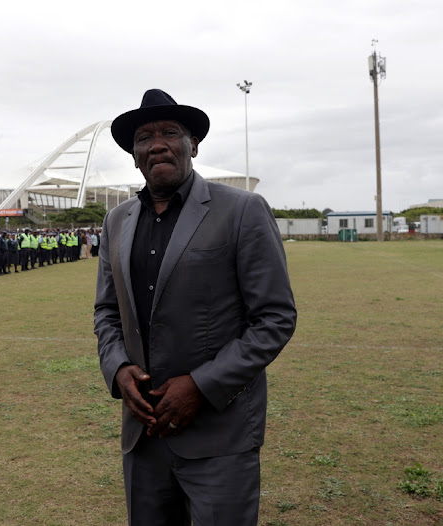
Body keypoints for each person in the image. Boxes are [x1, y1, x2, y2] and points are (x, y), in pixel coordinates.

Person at [93, 89, 297, 526]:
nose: (158, 144)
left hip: (217, 434)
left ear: (194, 145)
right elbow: (108, 312)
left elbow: (275, 318)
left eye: (171, 132)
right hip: (143, 433)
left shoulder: (241, 210)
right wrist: (117, 368)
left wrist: (201, 386)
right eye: (145, 137)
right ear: (134, 155)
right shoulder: (116, 221)